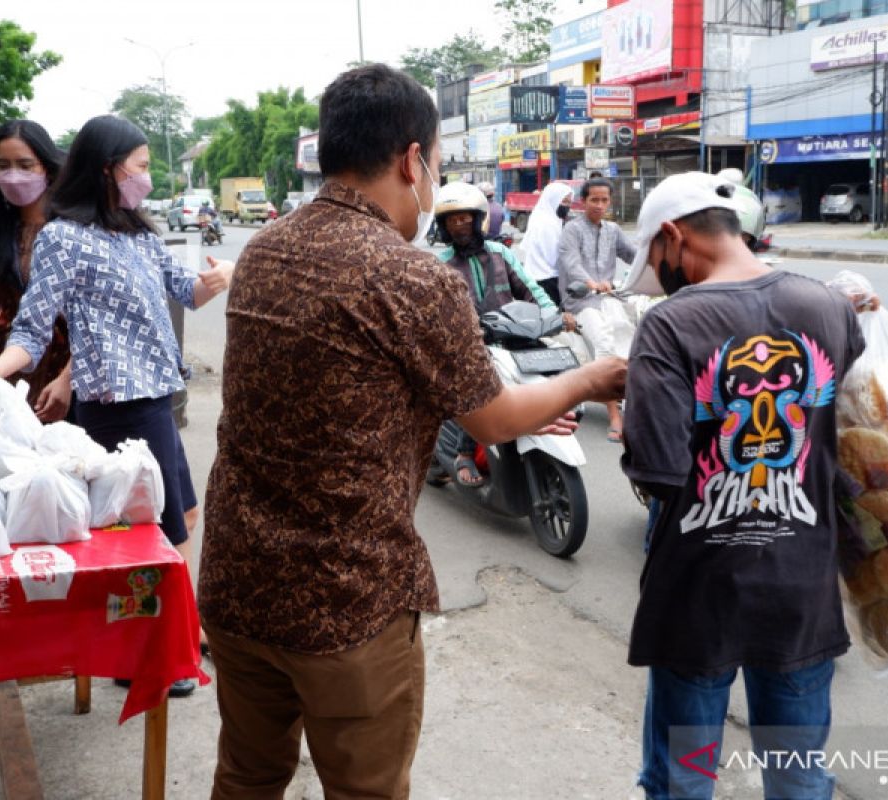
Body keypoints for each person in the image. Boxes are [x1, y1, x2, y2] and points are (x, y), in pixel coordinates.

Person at [196, 64, 626, 799]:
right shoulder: (412, 278)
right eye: (434, 163)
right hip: (346, 601)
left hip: (237, 582)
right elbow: (491, 416)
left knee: (247, 776)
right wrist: (592, 379)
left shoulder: (263, 252)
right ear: (411, 159)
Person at [0, 115, 235, 698]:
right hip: (118, 407)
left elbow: (186, 291)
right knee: (153, 535)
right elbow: (31, 330)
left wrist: (221, 277)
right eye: (140, 165)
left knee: (175, 520)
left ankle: (162, 641)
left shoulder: (137, 233)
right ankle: (158, 653)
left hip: (157, 398)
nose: (147, 177)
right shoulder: (64, 239)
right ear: (110, 170)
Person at [619, 172, 865, 800]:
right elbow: (850, 422)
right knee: (799, 777)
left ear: (672, 237)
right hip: (801, 586)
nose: (663, 279)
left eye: (657, 262)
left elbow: (656, 468)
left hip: (700, 594)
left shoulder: (670, 324)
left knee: (683, 776)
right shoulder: (828, 305)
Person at [434, 181, 558, 487]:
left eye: (465, 218)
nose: (460, 226)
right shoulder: (440, 264)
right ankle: (464, 453)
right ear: (444, 227)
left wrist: (552, 313)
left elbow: (531, 290)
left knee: (551, 370)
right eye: (453, 220)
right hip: (468, 347)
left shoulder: (501, 254)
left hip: (509, 337)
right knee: (476, 386)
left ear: (478, 220)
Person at [0, 120, 72, 422]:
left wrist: (69, 380)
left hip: (71, 378)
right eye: (3, 166)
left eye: (25, 165)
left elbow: (96, 316)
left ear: (48, 168)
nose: (13, 175)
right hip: (12, 375)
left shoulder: (74, 231)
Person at [558, 177, 637, 442]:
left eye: (604, 200)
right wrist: (590, 283)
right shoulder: (572, 229)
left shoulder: (613, 230)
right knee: (604, 344)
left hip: (609, 297)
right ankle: (615, 416)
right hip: (580, 300)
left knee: (628, 337)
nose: (600, 205)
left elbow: (634, 256)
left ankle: (634, 407)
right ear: (584, 201)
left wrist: (658, 259)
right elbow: (571, 263)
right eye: (595, 200)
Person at [522, 182, 574, 304]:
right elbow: (554, 257)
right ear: (553, 199)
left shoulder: (545, 217)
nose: (567, 206)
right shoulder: (547, 224)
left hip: (537, 277)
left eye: (569, 202)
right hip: (545, 279)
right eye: (564, 201)